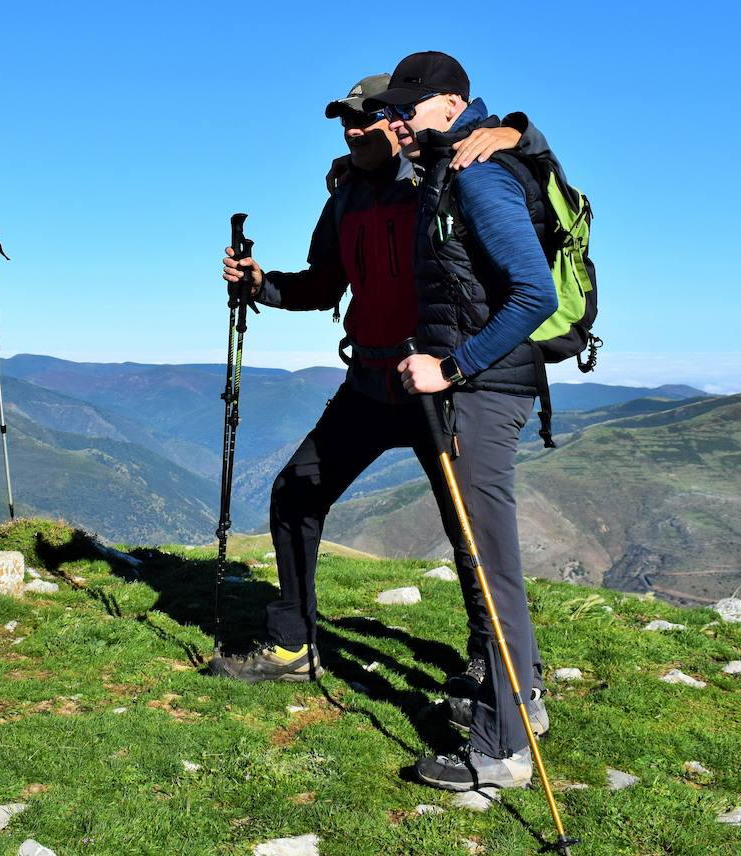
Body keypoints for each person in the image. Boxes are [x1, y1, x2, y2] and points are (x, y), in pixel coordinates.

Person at [210, 73, 548, 705]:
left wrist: (514, 129)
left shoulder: (442, 173)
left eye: (367, 118)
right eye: (346, 121)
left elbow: (525, 161)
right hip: (370, 380)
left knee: (467, 528)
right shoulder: (344, 198)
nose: (353, 129)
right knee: (295, 492)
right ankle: (292, 644)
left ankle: (489, 660)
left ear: (398, 123)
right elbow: (321, 285)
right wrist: (262, 284)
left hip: (440, 386)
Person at [348, 51, 560, 791]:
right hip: (475, 388)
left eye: (411, 106)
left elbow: (533, 295)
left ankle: (499, 754)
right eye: (394, 108)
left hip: (484, 392)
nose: (397, 120)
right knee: (488, 559)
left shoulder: (478, 173)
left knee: (492, 564)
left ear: (452, 101)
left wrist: (452, 366)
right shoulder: (446, 166)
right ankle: (521, 704)